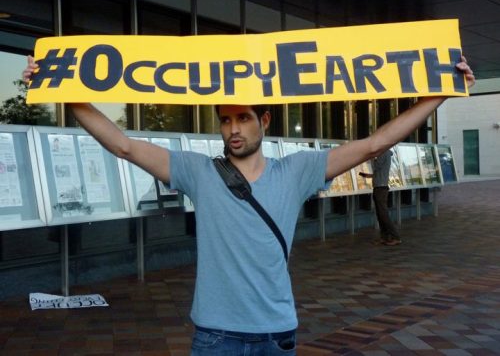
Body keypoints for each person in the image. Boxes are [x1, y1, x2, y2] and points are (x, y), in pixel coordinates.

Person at [22, 55, 474, 355]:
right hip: (215, 337)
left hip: (277, 336)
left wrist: (443, 94)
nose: (232, 129)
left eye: (242, 118)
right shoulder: (197, 171)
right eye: (225, 121)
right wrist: (60, 90)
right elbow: (121, 144)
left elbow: (376, 141)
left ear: (265, 121)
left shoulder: (295, 171)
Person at [359, 149, 401, 246]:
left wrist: (372, 158)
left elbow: (376, 166)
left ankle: (396, 237)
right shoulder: (384, 153)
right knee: (380, 214)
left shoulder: (383, 153)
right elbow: (379, 171)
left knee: (383, 214)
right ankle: (385, 237)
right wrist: (368, 175)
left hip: (381, 187)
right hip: (379, 186)